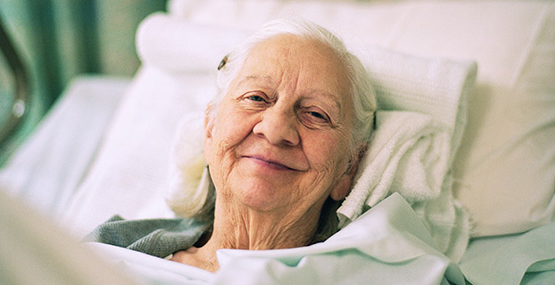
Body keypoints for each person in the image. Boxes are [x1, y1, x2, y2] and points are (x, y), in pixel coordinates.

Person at [87, 19, 377, 272]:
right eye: (256, 97)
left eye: (316, 114)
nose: (275, 130)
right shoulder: (108, 250)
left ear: (348, 168)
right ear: (210, 129)